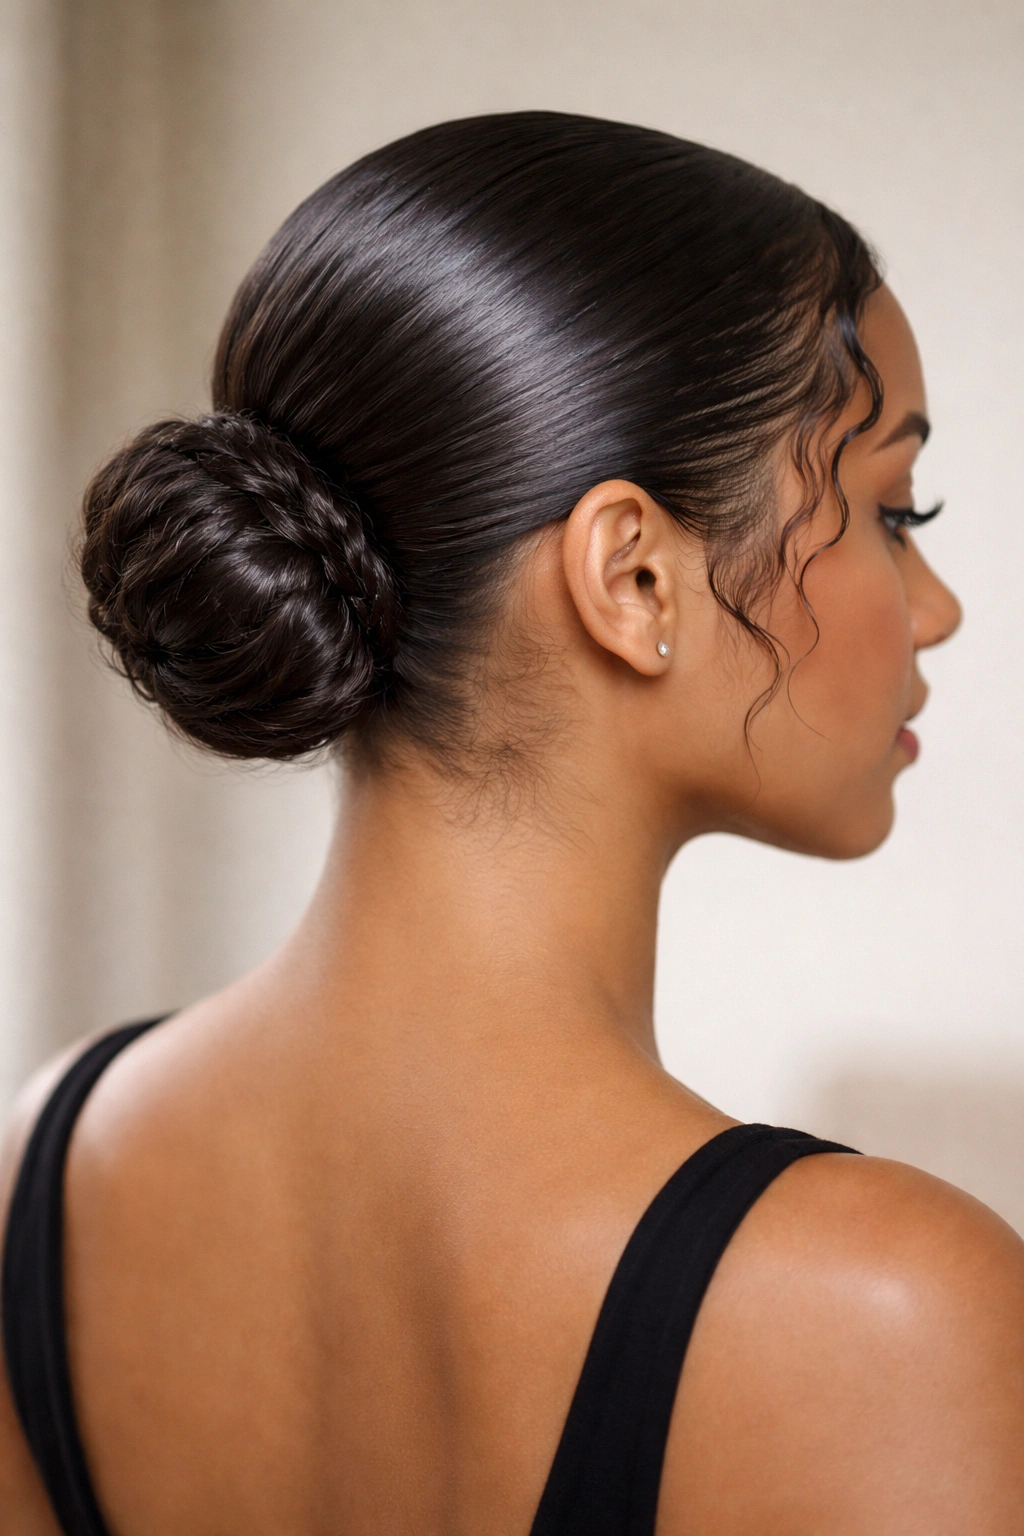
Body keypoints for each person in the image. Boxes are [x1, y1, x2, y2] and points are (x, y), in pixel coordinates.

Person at [1, 111, 1021, 1536]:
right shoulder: (890, 1314)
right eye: (894, 510)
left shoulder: (39, 1168)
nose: (940, 607)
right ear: (636, 579)